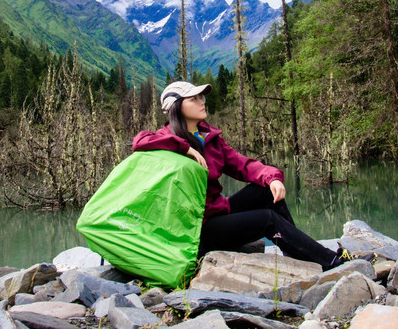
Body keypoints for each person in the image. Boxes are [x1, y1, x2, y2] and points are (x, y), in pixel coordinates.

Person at [132, 80, 372, 270]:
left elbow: (243, 165)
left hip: (218, 212)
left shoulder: (210, 138)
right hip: (198, 229)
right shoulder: (166, 139)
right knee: (267, 219)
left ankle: (299, 251)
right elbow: (139, 141)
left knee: (266, 191)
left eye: (201, 96)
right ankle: (332, 262)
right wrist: (185, 147)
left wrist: (273, 177)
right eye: (193, 98)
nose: (202, 101)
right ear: (176, 106)